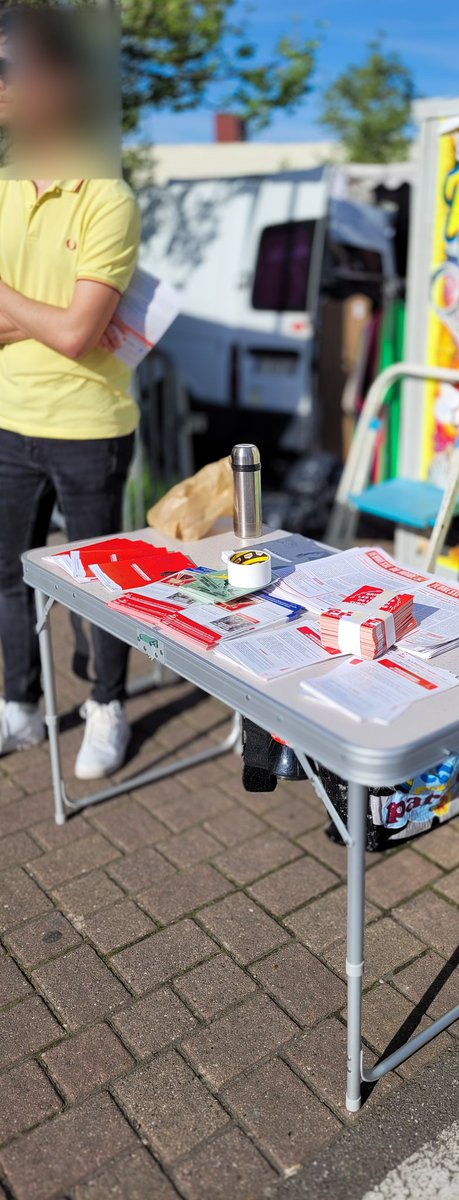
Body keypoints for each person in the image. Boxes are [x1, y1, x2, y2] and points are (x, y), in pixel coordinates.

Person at [0, 9, 141, 778]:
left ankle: (105, 705)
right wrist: (54, 321)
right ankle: (20, 707)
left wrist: (28, 311)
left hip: (89, 423)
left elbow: (79, 337)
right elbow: (66, 327)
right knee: (4, 575)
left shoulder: (107, 198)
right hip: (5, 417)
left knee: (99, 583)